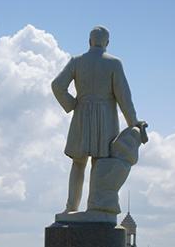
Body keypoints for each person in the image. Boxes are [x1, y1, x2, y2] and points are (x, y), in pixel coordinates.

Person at [52, 26, 144, 213]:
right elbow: (124, 97)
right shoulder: (114, 63)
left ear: (89, 41)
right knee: (99, 163)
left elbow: (57, 85)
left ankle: (71, 208)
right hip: (106, 119)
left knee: (78, 163)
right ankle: (94, 208)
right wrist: (133, 124)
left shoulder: (77, 61)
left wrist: (72, 104)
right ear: (107, 43)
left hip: (81, 116)